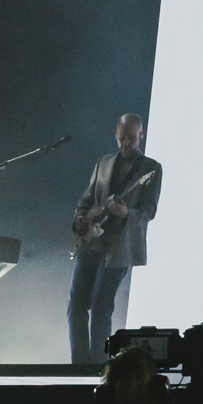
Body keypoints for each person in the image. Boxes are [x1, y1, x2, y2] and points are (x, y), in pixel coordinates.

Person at [68, 114, 162, 366]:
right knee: (76, 306)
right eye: (122, 138)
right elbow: (86, 201)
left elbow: (149, 210)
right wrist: (79, 218)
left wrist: (126, 213)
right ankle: (77, 366)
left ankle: (98, 368)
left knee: (101, 307)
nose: (126, 143)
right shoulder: (103, 162)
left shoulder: (151, 168)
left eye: (131, 138)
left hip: (120, 248)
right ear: (115, 135)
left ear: (141, 135)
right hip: (91, 243)